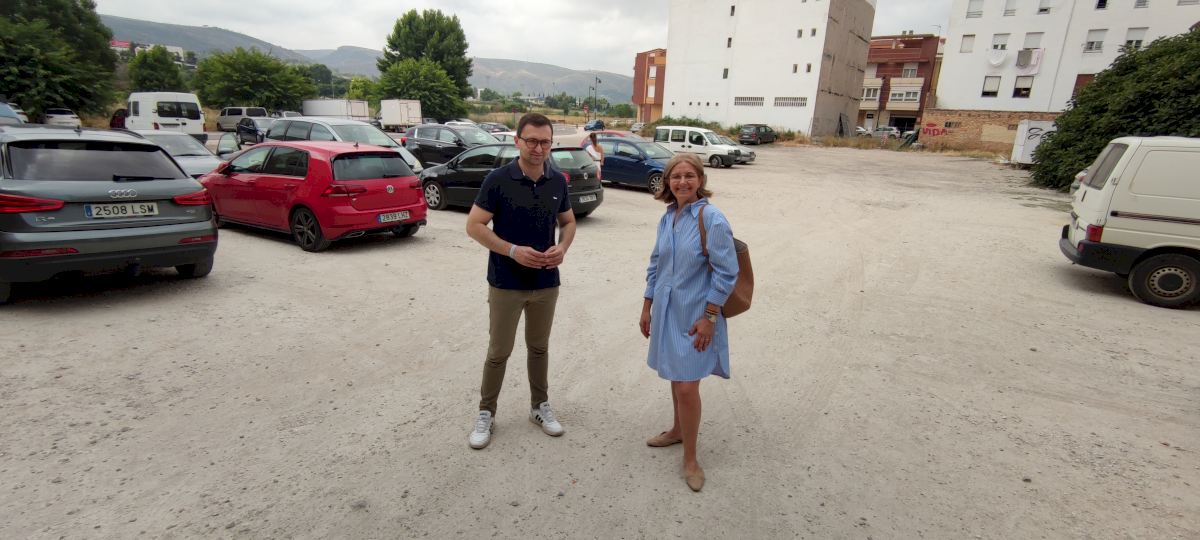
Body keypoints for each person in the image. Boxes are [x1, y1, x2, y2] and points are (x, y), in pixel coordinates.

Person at [465, 112, 577, 450]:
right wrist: (512, 251)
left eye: (545, 142)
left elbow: (569, 223)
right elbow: (474, 226)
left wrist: (562, 247)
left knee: (539, 348)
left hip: (546, 282)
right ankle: (486, 412)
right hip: (506, 282)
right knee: (499, 351)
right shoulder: (498, 180)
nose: (538, 148)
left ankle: (539, 407)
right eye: (531, 141)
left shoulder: (557, 181)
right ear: (518, 141)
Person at [639, 153, 738, 492]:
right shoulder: (668, 217)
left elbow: (727, 273)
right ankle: (678, 430)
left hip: (697, 317)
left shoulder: (712, 219)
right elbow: (656, 264)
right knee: (674, 373)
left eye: (689, 176)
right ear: (667, 182)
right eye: (676, 176)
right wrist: (647, 306)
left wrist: (710, 318)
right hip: (667, 312)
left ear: (700, 180)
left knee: (686, 386)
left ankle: (691, 460)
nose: (682, 182)